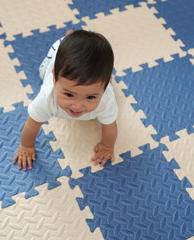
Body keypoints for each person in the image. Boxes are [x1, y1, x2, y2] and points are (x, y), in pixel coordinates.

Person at [13, 30, 118, 171]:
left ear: (104, 88)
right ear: (55, 79)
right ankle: (70, 37)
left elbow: (110, 127)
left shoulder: (106, 99)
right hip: (56, 54)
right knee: (41, 72)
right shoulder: (46, 98)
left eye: (90, 97)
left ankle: (75, 37)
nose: (77, 106)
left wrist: (107, 146)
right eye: (69, 95)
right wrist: (26, 145)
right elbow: (32, 124)